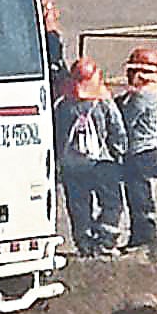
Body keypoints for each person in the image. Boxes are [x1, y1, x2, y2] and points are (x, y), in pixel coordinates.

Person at [55, 56, 124, 253]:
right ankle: (105, 239)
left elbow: (57, 134)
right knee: (111, 202)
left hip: (71, 165)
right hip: (102, 162)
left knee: (78, 205)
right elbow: (117, 130)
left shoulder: (63, 106)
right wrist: (118, 155)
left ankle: (84, 242)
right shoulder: (103, 103)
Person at [108, 43, 157, 262]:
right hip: (144, 150)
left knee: (138, 194)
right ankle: (140, 235)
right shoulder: (147, 94)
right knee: (137, 193)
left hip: (139, 152)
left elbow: (126, 120)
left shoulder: (143, 97)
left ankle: (145, 235)